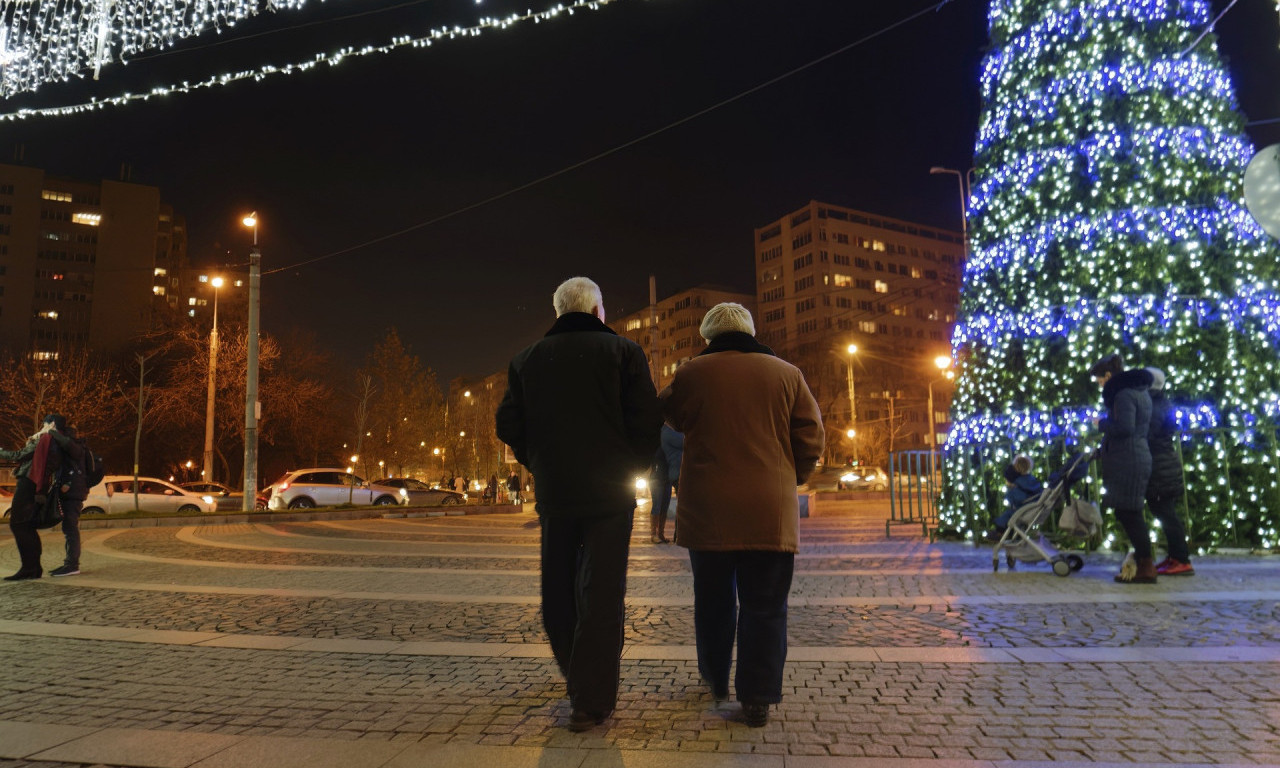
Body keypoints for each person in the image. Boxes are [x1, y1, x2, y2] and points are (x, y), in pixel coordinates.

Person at [495, 276, 662, 732]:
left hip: (557, 494)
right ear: (596, 310)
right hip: (610, 496)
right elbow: (648, 419)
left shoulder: (526, 359)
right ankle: (591, 698)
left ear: (558, 312)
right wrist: (633, 464)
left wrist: (539, 461)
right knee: (602, 592)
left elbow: (508, 423)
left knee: (558, 592)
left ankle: (578, 678)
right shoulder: (625, 353)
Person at [660, 302, 825, 728]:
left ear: (708, 336)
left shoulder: (691, 373)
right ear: (751, 332)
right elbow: (811, 437)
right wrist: (789, 477)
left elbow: (669, 417)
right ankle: (757, 697)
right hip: (769, 510)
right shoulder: (787, 374)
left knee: (713, 602)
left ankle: (715, 678)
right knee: (766, 606)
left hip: (708, 510)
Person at [1090, 353, 1155, 583]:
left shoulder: (1123, 395)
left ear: (1108, 376)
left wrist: (1102, 424)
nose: (1099, 385)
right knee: (1129, 511)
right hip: (1133, 456)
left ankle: (1146, 566)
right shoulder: (1139, 392)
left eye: (1099, 380)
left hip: (1129, 459)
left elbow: (1125, 427)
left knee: (1130, 513)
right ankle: (1142, 561)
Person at [1, 414, 73, 581]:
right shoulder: (59, 441)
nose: (42, 425)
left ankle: (29, 568)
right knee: (27, 525)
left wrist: (1, 452)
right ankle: (33, 568)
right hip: (38, 484)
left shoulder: (45, 438)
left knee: (19, 524)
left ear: (51, 424)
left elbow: (19, 455)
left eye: (45, 423)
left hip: (28, 482)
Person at [1145, 368, 1194, 576]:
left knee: (1166, 513)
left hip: (1160, 466)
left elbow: (1149, 433)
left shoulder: (1154, 405)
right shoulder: (1160, 402)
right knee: (1164, 512)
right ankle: (1176, 556)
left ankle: (1181, 559)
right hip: (1163, 464)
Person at [987, 455, 1043, 540]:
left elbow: (1017, 498)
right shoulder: (1031, 480)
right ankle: (1007, 534)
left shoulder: (1019, 484)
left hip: (1023, 510)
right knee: (1009, 515)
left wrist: (1011, 490)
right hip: (1033, 509)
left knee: (1007, 515)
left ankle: (1000, 533)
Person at [649, 424, 684, 544]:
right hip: (657, 478)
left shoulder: (667, 446)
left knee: (664, 507)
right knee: (657, 506)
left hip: (667, 479)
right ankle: (654, 534)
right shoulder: (662, 442)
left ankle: (661, 534)